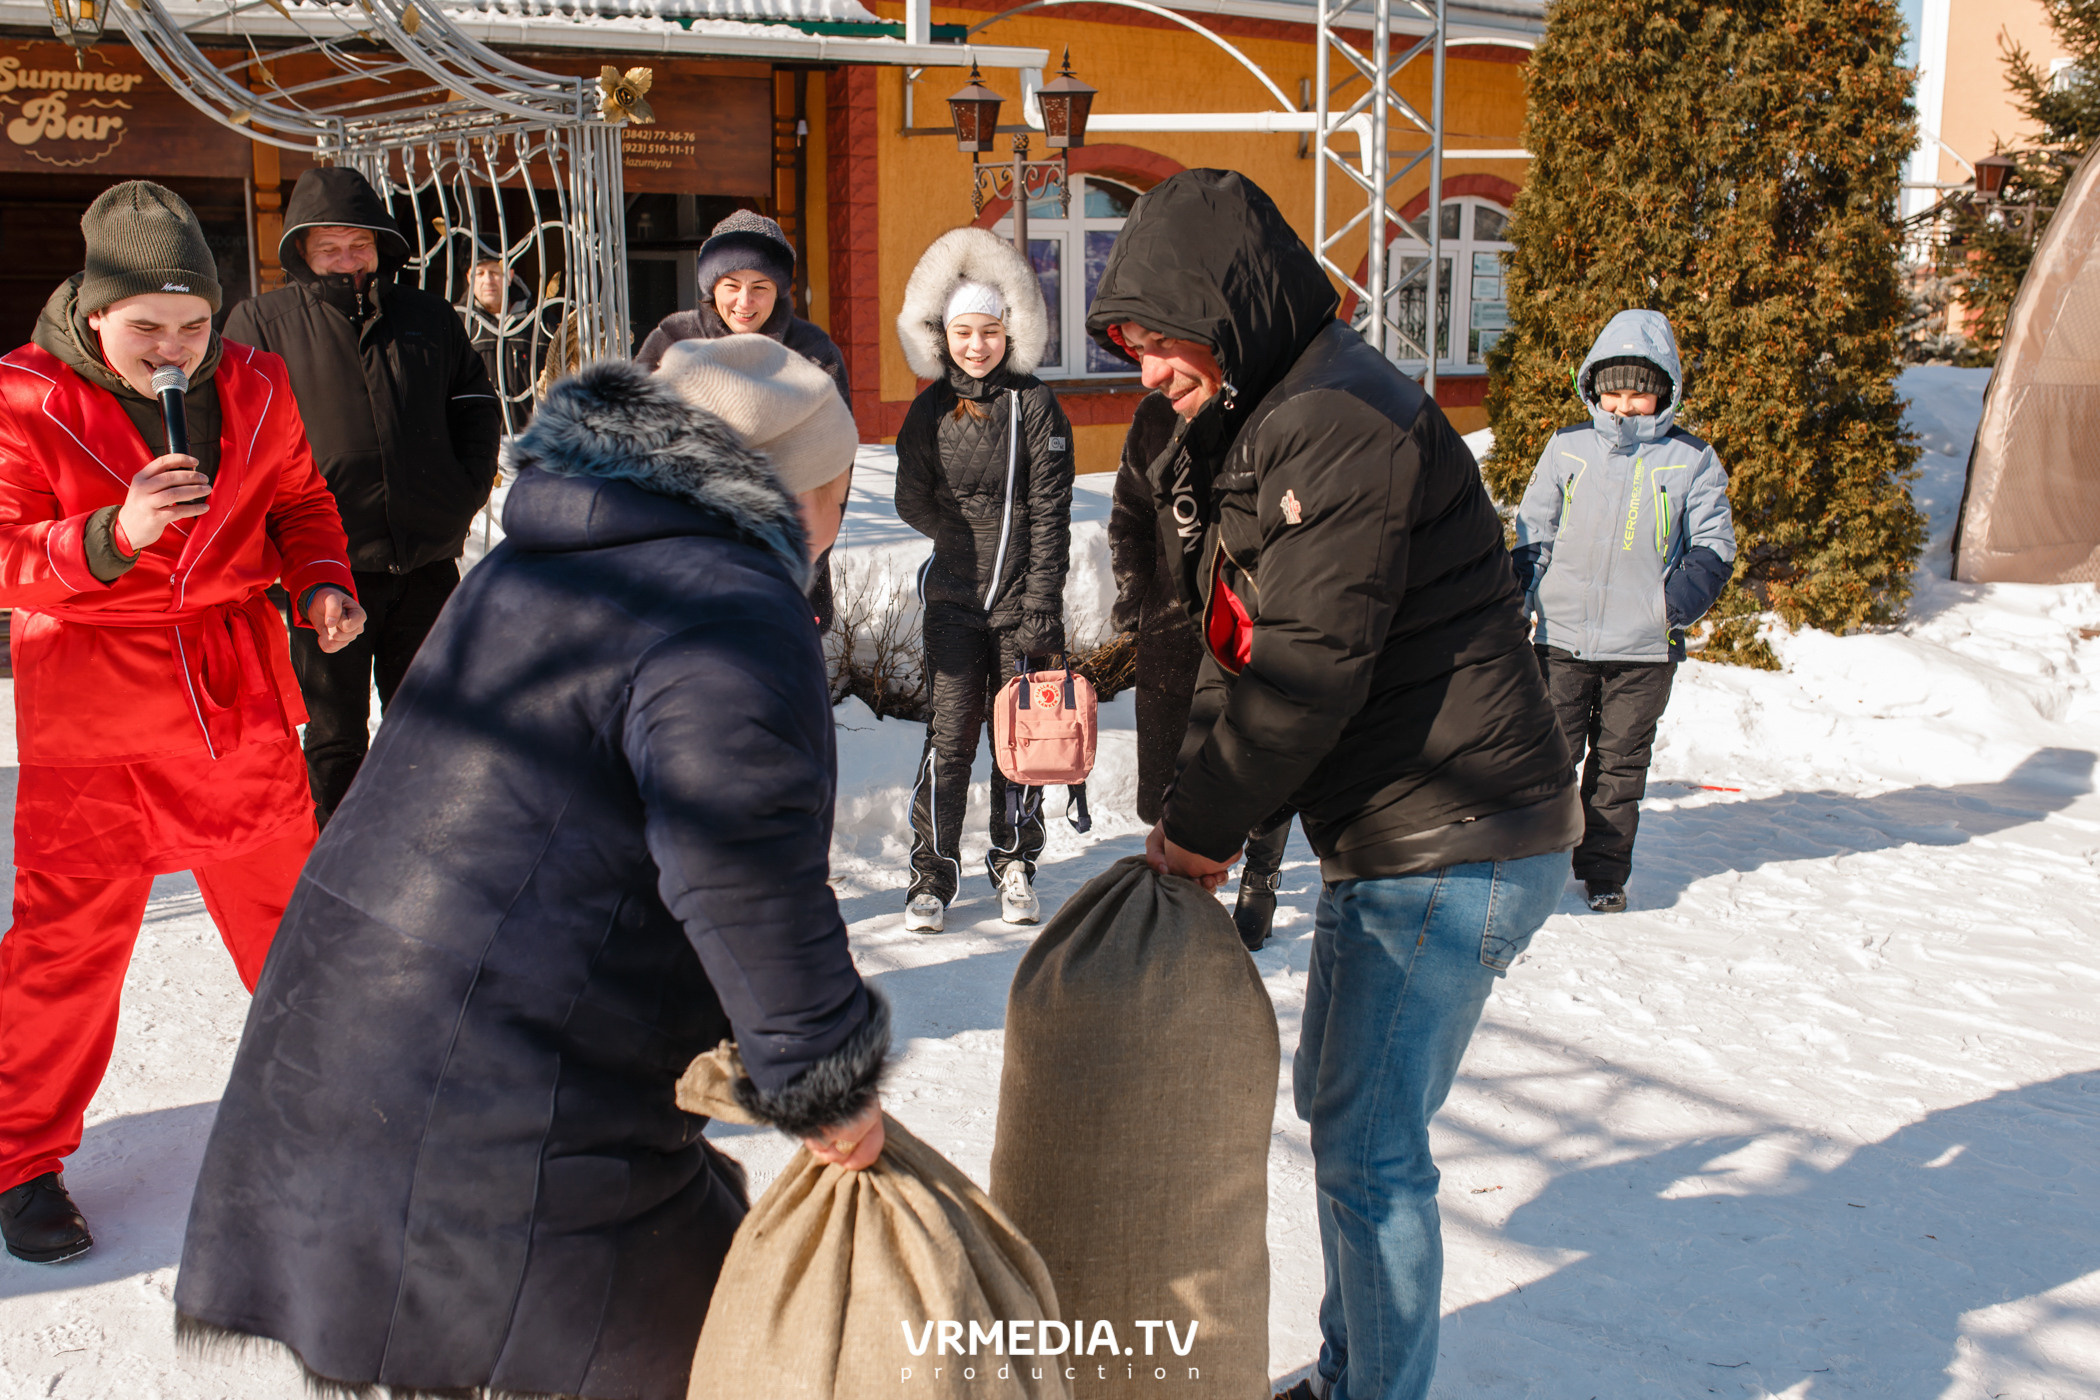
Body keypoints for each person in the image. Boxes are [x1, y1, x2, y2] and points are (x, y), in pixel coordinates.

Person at [175, 335, 882, 1400]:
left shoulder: (537, 559)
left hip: (348, 1057)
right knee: (706, 1349)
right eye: (838, 486)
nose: (836, 515)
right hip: (503, 1100)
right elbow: (739, 860)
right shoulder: (727, 600)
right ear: (802, 489)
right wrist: (824, 1074)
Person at [1086, 170, 1577, 1400]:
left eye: (1162, 340)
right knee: (1345, 1116)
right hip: (1413, 831)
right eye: (1131, 348)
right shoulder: (1271, 414)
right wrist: (1187, 811)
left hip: (1452, 834)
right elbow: (1236, 645)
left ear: (1228, 309)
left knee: (1369, 1145)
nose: (1147, 371)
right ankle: (1353, 1369)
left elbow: (1305, 673)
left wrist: (1202, 831)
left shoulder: (1337, 421)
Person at [0, 181, 361, 1265]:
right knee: (66, 949)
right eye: (146, 326)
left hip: (231, 700)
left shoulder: (254, 380)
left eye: (193, 324)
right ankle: (21, 1159)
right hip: (94, 714)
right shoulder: (24, 395)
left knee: (294, 928)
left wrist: (321, 581)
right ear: (93, 308)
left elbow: (300, 502)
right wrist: (112, 533)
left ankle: (344, 1118)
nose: (173, 349)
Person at [224, 166, 502, 828]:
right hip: (324, 570)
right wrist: (270, 540)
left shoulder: (429, 317)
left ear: (381, 245)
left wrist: (459, 494)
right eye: (329, 248)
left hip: (425, 562)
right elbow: (237, 441)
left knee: (428, 724)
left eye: (359, 245)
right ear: (302, 251)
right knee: (334, 734)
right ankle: (338, 859)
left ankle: (418, 849)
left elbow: (475, 406)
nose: (347, 260)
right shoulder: (261, 323)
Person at [1511, 309, 1736, 913]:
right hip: (1562, 638)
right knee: (1550, 757)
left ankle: (1604, 872)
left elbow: (1714, 547)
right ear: (1593, 386)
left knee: (1620, 765)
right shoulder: (1568, 449)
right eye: (1614, 391)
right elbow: (1534, 532)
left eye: (1639, 393)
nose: (1624, 405)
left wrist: (1666, 609)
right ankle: (1535, 863)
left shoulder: (1691, 460)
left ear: (1665, 391)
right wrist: (1520, 599)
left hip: (1643, 651)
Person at [892, 227, 1074, 933]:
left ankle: (1015, 863)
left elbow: (1051, 511)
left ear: (1010, 332)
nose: (977, 345)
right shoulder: (929, 410)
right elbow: (910, 498)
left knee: (1019, 742)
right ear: (944, 335)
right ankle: (931, 875)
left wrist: (1043, 606)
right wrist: (959, 535)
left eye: (990, 331)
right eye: (964, 332)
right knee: (949, 738)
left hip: (1023, 608)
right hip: (953, 603)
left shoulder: (1036, 405)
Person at [1107, 390, 1291, 949]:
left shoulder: (1267, 405)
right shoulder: (1155, 415)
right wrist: (1137, 593)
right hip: (1172, 620)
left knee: (1259, 749)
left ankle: (1260, 873)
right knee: (1175, 759)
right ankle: (1181, 883)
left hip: (1253, 614)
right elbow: (1130, 515)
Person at [636, 209, 849, 632]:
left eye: (760, 287)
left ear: (780, 290)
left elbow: (831, 478)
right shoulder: (673, 341)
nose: (744, 302)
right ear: (712, 285)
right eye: (732, 285)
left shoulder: (813, 355)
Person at [465, 254, 548, 432]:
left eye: (495, 272)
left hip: (534, 437)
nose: (488, 280)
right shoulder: (460, 325)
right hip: (480, 439)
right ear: (469, 278)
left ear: (510, 276)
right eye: (480, 273)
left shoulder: (539, 321)